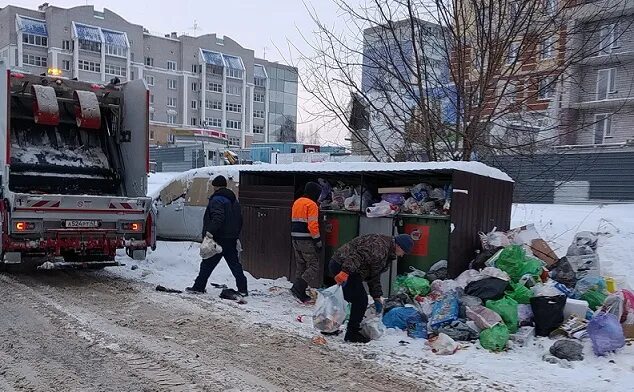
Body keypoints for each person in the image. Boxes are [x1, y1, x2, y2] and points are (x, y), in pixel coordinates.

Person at [329, 233, 414, 343]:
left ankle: (329, 326)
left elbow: (374, 274)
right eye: (403, 252)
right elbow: (357, 256)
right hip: (343, 266)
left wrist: (377, 296)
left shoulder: (387, 252)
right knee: (360, 300)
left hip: (350, 269)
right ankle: (351, 333)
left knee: (346, 297)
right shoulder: (380, 247)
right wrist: (345, 272)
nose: (402, 255)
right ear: (399, 246)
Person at [187, 175, 248, 296]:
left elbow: (218, 218)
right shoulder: (233, 200)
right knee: (235, 265)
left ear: (215, 186)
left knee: (207, 263)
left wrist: (209, 232)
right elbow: (240, 219)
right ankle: (243, 289)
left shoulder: (217, 200)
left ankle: (198, 287)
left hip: (218, 239)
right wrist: (235, 234)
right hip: (231, 239)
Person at [290, 181, 322, 303]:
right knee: (314, 266)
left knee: (301, 265)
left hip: (295, 238)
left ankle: (299, 291)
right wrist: (318, 241)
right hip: (306, 239)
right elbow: (313, 225)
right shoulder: (312, 205)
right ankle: (298, 288)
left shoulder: (297, 202)